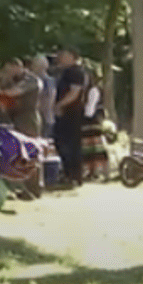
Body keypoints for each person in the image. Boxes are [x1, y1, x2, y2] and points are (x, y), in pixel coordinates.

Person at [52, 46, 87, 186]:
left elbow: (74, 92)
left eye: (64, 55)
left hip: (72, 113)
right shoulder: (66, 72)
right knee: (63, 143)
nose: (61, 57)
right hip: (67, 113)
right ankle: (69, 174)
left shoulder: (75, 72)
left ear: (73, 57)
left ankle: (73, 175)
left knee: (69, 144)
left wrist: (60, 105)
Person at [0, 58, 43, 137]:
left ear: (17, 67)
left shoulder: (31, 80)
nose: (9, 72)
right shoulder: (12, 79)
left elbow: (14, 92)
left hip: (27, 120)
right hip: (12, 118)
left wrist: (0, 91)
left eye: (10, 70)